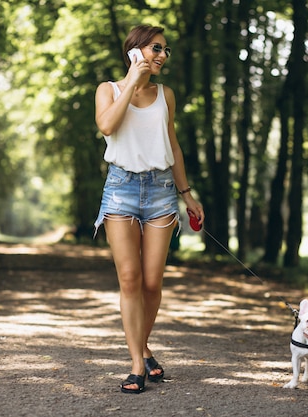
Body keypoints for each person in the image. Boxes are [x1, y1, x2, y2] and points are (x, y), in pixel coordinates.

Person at [94, 24, 204, 394]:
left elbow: (171, 143)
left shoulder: (165, 94)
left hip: (160, 191)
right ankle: (137, 363)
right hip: (121, 190)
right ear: (135, 51)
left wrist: (187, 194)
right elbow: (107, 126)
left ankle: (141, 345)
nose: (162, 55)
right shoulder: (108, 90)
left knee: (153, 282)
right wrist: (131, 82)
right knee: (130, 279)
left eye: (165, 50)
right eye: (156, 48)